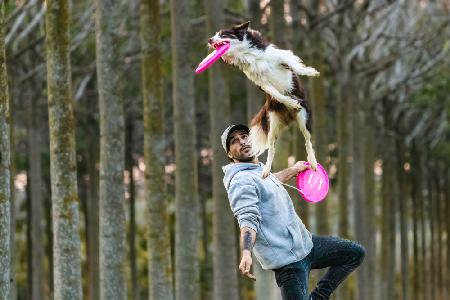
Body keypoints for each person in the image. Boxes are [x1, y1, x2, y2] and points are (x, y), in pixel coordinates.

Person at [221, 124, 365, 300]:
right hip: (289, 264)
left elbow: (268, 183)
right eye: (234, 141)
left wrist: (293, 171)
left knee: (354, 253)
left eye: (244, 136)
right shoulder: (241, 182)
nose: (242, 142)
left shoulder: (256, 171)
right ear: (229, 154)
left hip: (306, 244)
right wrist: (245, 252)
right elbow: (248, 219)